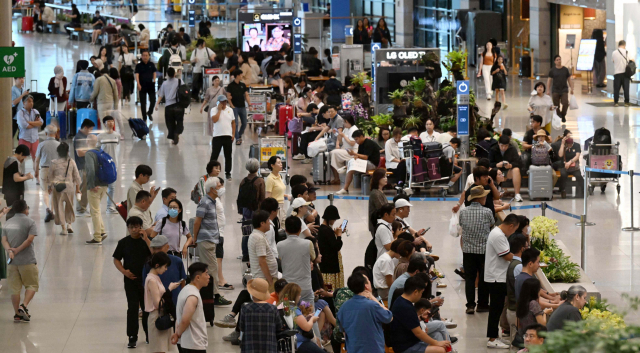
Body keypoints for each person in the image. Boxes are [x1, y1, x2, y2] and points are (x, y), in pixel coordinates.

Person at [113, 216, 152, 348]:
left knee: (147, 308)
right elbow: (116, 259)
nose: (134, 230)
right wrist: (124, 271)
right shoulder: (123, 242)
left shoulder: (146, 242)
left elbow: (155, 254)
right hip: (130, 280)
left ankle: (149, 334)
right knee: (133, 308)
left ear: (141, 227)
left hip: (146, 281)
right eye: (131, 227)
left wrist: (146, 238)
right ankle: (132, 336)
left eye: (136, 227)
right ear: (128, 228)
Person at [193, 177, 232, 306]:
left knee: (212, 268)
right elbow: (197, 221)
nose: (221, 188)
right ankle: (213, 296)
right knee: (211, 269)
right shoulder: (205, 202)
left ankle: (212, 295)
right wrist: (195, 238)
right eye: (219, 186)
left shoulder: (212, 201)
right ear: (212, 189)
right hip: (206, 239)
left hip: (211, 239)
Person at [388, 276, 450, 353]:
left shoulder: (400, 300)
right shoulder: (406, 307)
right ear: (415, 292)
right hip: (406, 347)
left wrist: (420, 318)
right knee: (440, 350)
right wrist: (437, 343)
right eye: (421, 293)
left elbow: (408, 322)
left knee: (437, 334)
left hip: (408, 341)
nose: (421, 295)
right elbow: (418, 333)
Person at [484, 214, 519, 349]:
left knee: (497, 308)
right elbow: (506, 256)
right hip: (496, 277)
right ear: (511, 226)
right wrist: (522, 259)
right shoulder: (498, 235)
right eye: (514, 230)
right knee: (496, 308)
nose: (513, 233)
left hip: (497, 276)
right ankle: (492, 339)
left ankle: (495, 336)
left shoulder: (498, 233)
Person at [458, 186, 494, 314]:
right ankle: (482, 304)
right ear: (479, 198)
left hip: (468, 251)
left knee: (470, 278)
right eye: (484, 196)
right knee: (484, 278)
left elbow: (461, 225)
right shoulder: (487, 211)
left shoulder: (463, 212)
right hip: (484, 251)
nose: (486, 198)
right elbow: (491, 224)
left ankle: (470, 305)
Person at [337, 271, 393, 353]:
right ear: (366, 286)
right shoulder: (372, 305)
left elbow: (344, 332)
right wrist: (373, 298)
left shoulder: (343, 308)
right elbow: (389, 317)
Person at [1, 200, 38, 323]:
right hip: (27, 260)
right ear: (26, 209)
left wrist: (10, 251)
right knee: (32, 285)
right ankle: (24, 305)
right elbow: (29, 240)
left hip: (12, 262)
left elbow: (4, 240)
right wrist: (17, 250)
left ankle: (17, 314)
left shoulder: (7, 223)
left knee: (15, 289)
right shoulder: (30, 222)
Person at [144, 252, 181, 353]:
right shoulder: (151, 280)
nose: (166, 269)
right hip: (157, 317)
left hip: (162, 316)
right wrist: (169, 289)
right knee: (159, 350)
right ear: (157, 265)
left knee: (163, 349)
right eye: (165, 267)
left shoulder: (156, 277)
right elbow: (157, 303)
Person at [171, 262, 211, 352]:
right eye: (206, 274)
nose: (208, 276)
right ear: (198, 277)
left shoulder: (186, 289)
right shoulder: (192, 296)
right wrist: (177, 334)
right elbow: (185, 320)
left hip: (188, 343)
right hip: (193, 344)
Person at [277, 216, 316, 305]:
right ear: (300, 229)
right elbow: (313, 257)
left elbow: (280, 258)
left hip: (288, 286)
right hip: (305, 286)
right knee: (308, 313)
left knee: (290, 314)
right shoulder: (308, 243)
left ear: (286, 230)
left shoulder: (280, 245)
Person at [44, 143, 81, 235]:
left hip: (57, 188)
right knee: (69, 206)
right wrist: (78, 189)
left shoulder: (54, 162)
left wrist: (49, 187)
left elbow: (50, 176)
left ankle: (63, 228)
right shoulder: (71, 162)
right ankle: (69, 225)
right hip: (69, 188)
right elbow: (77, 176)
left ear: (58, 152)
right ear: (68, 152)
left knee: (59, 208)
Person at [238, 278, 284, 352]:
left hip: (250, 347)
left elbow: (242, 327)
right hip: (269, 348)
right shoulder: (273, 309)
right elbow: (279, 327)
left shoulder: (245, 308)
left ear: (252, 294)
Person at [336, 130, 381, 195]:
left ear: (361, 136)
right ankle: (346, 169)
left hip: (372, 164)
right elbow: (359, 156)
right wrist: (355, 156)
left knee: (351, 167)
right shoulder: (360, 144)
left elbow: (365, 157)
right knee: (351, 162)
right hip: (365, 163)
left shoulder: (369, 143)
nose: (356, 142)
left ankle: (345, 187)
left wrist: (354, 153)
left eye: (356, 139)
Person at [84, 135, 110, 245]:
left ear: (88, 141)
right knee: (97, 209)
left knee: (94, 211)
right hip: (104, 185)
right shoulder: (101, 151)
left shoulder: (89, 153)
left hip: (95, 186)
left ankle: (97, 236)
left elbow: (90, 170)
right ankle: (102, 231)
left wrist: (91, 185)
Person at [505, 234, 528, 342]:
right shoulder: (518, 266)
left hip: (512, 309)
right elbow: (524, 290)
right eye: (527, 247)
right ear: (522, 249)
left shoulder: (513, 263)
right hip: (516, 312)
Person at [34, 125, 60, 222]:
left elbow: (37, 160)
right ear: (56, 133)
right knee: (53, 191)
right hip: (56, 170)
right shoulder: (59, 144)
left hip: (44, 169)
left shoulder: (41, 145)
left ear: (45, 134)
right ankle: (52, 211)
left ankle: (48, 209)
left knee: (45, 191)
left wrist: (36, 171)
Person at [248, 210, 279, 287]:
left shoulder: (256, 235)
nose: (269, 222)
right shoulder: (259, 238)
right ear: (262, 223)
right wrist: (270, 280)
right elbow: (262, 262)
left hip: (263, 278)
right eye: (268, 220)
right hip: (264, 280)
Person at [96, 116, 121, 214]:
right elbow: (97, 150)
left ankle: (110, 208)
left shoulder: (117, 135)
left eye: (112, 121)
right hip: (103, 164)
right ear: (104, 123)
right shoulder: (100, 137)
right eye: (108, 121)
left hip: (114, 164)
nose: (111, 123)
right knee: (100, 187)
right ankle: (96, 207)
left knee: (112, 187)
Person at [316, 205, 345, 289]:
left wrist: (336, 234)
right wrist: (339, 236)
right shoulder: (327, 231)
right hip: (330, 266)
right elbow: (336, 246)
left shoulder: (323, 229)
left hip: (325, 265)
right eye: (334, 219)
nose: (335, 221)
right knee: (331, 288)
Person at [154, 67, 184, 144]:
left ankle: (174, 137)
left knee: (170, 123)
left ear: (167, 74)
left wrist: (157, 104)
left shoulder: (164, 83)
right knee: (179, 121)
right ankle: (177, 132)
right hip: (179, 105)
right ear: (175, 73)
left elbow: (160, 95)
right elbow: (185, 92)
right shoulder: (180, 81)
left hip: (169, 106)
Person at [551, 129, 583, 198]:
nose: (570, 138)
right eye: (568, 137)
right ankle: (562, 190)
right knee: (563, 175)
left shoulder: (577, 145)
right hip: (564, 166)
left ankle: (582, 192)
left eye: (571, 136)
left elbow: (577, 156)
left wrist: (570, 162)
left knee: (579, 176)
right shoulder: (564, 146)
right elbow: (560, 155)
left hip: (574, 167)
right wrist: (562, 144)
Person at [209, 95, 236, 179]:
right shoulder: (214, 110)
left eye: (225, 101)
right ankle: (211, 171)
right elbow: (214, 120)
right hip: (217, 136)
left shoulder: (230, 110)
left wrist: (233, 134)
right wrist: (219, 110)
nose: (224, 103)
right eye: (222, 102)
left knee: (228, 155)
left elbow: (233, 122)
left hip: (227, 136)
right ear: (218, 102)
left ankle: (228, 172)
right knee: (214, 155)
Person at [490, 135, 523, 202]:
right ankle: (493, 194)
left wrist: (510, 165)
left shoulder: (512, 149)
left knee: (516, 170)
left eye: (506, 146)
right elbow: (489, 163)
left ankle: (517, 194)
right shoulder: (493, 149)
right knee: (490, 169)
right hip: (496, 171)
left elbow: (518, 163)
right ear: (498, 143)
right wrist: (496, 165)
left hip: (508, 171)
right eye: (502, 146)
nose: (504, 148)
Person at [73, 119, 95, 215]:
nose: (90, 132)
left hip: (86, 166)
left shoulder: (83, 136)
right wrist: (92, 151)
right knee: (82, 189)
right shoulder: (79, 137)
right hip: (82, 167)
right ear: (85, 127)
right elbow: (79, 153)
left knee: (85, 189)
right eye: (90, 129)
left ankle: (82, 207)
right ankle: (80, 209)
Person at [328, 115, 359, 183]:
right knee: (331, 153)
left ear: (347, 122)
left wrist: (344, 136)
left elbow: (352, 143)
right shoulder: (346, 129)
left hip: (352, 151)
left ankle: (337, 177)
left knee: (334, 153)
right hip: (345, 149)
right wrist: (337, 134)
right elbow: (341, 141)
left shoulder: (354, 129)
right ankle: (336, 177)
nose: (343, 125)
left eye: (344, 123)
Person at [17, 95, 44, 170]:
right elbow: (24, 125)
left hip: (35, 139)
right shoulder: (20, 113)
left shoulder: (35, 111)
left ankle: (37, 177)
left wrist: (29, 122)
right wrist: (35, 123)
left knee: (36, 158)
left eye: (32, 101)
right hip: (24, 139)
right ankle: (21, 175)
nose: (31, 103)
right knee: (21, 159)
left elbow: (41, 123)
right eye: (29, 101)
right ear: (24, 103)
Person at [546, 55, 574, 122]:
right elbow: (549, 80)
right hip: (555, 90)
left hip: (564, 89)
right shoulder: (552, 70)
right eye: (557, 60)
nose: (559, 61)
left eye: (560, 59)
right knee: (556, 105)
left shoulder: (565, 69)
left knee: (565, 103)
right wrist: (548, 90)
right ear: (555, 61)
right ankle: (558, 115)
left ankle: (563, 114)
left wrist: (572, 88)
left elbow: (569, 79)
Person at [227, 70, 251, 146]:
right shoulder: (230, 86)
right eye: (241, 75)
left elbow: (246, 95)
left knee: (244, 123)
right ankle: (237, 139)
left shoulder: (243, 85)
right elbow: (228, 97)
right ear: (237, 75)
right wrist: (232, 106)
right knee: (236, 123)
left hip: (242, 106)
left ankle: (239, 134)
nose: (242, 76)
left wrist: (249, 104)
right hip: (235, 107)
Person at [265, 156, 289, 226]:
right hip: (275, 207)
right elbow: (268, 196)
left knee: (283, 227)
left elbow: (278, 191)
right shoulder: (270, 179)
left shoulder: (279, 176)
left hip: (282, 206)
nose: (281, 164)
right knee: (277, 227)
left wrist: (286, 195)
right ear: (272, 165)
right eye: (278, 163)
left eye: (281, 162)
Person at [135, 50, 157, 122]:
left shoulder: (152, 64)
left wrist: (154, 80)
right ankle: (144, 117)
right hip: (142, 85)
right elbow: (137, 75)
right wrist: (138, 84)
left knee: (153, 100)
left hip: (150, 84)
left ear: (149, 56)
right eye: (143, 55)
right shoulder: (138, 66)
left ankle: (149, 112)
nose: (145, 57)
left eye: (146, 55)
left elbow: (154, 72)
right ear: (141, 56)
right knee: (143, 102)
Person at [612, 40, 631, 107]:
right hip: (625, 73)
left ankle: (616, 102)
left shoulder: (614, 52)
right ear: (624, 45)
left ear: (618, 45)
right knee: (626, 88)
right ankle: (626, 102)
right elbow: (631, 60)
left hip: (617, 73)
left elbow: (613, 61)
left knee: (616, 88)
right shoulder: (626, 52)